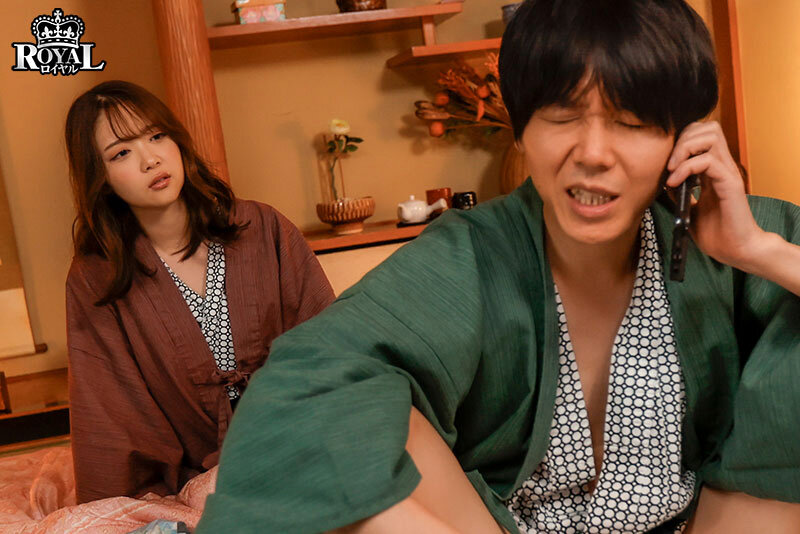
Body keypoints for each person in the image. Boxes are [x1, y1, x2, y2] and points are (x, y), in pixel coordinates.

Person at [197, 0, 800, 532]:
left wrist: (760, 251)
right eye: (561, 116)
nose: (593, 154)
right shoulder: (472, 252)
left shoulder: (731, 236)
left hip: (701, 522)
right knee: (361, 414)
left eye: (632, 122)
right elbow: (308, 380)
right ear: (519, 130)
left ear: (682, 140)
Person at [64, 80, 334, 503]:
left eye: (156, 136)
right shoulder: (96, 277)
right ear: (101, 178)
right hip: (196, 479)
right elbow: (111, 413)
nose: (151, 159)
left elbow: (328, 344)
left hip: (304, 434)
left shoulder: (264, 227)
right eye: (121, 153)